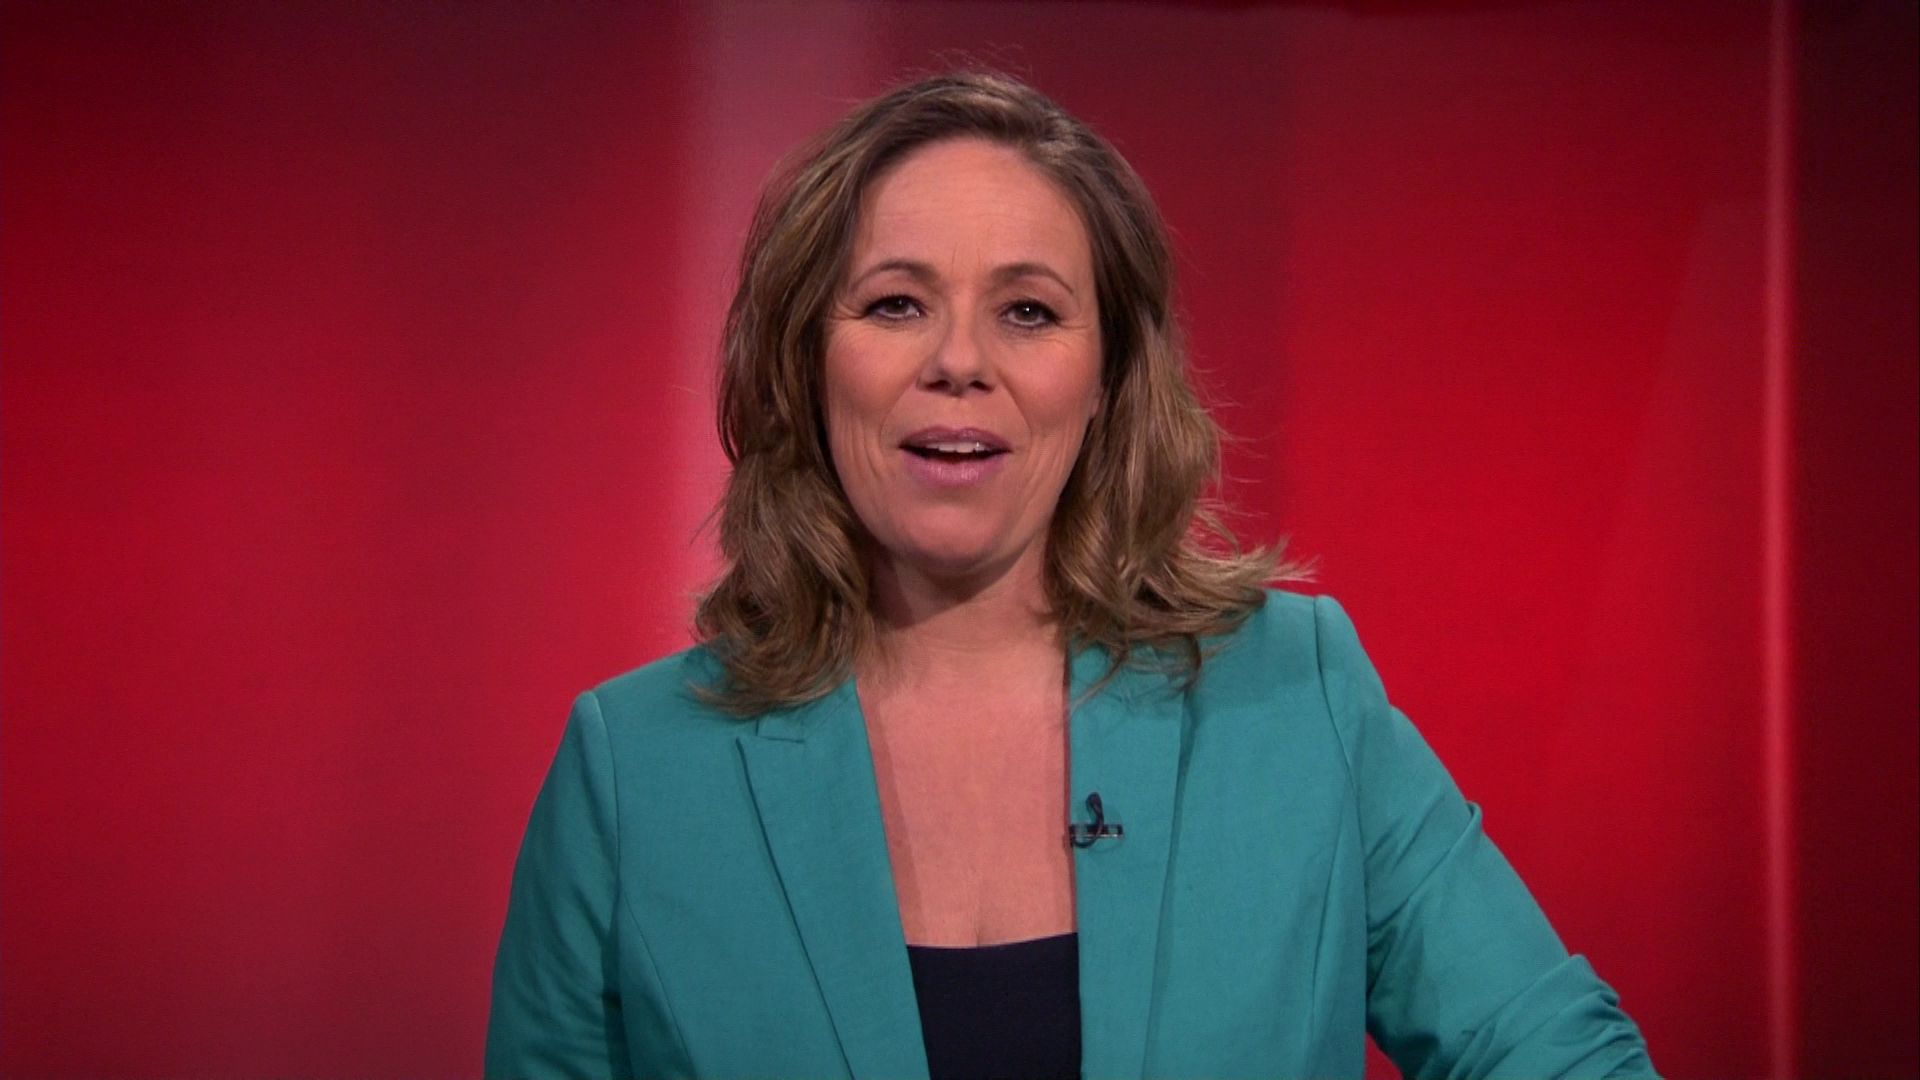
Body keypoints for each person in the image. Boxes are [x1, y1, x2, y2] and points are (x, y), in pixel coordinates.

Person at [483, 69, 1658, 1079]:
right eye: (896, 303)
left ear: (1105, 382)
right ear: (805, 362)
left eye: (1029, 312)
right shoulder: (632, 773)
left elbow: (1560, 1053)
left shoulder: (1298, 694)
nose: (959, 361)